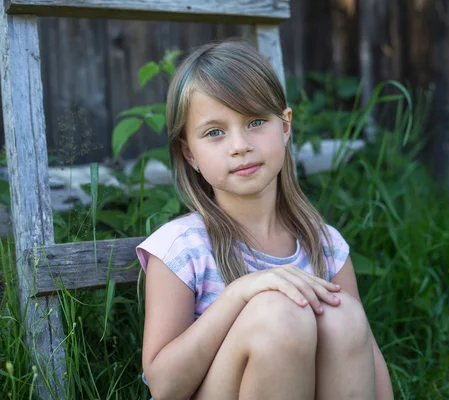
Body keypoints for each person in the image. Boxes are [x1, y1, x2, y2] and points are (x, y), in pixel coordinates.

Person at [136, 39, 393, 400]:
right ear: (189, 152)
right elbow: (164, 387)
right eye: (215, 132)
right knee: (277, 313)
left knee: (345, 316)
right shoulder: (182, 248)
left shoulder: (324, 244)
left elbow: (366, 355)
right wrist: (240, 294)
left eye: (256, 121)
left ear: (285, 127)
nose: (239, 145)